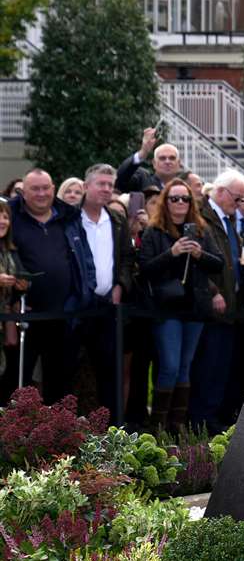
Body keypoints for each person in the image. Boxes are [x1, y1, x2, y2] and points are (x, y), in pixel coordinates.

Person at [138, 179, 226, 432]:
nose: (179, 203)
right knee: (170, 366)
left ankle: (177, 427)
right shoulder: (154, 232)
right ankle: (158, 428)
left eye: (185, 199)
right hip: (166, 308)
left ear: (191, 203)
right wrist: (172, 253)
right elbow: (144, 270)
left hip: (195, 307)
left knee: (185, 367)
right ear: (165, 202)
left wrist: (199, 254)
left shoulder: (201, 230)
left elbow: (218, 264)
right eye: (174, 198)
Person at [8, 170, 93, 406]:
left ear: (54, 189)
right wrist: (15, 294)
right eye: (34, 189)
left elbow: (86, 261)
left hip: (64, 314)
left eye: (45, 188)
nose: (41, 193)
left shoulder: (69, 218)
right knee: (18, 379)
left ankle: (58, 436)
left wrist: (84, 293)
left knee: (59, 381)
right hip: (24, 313)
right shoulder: (11, 217)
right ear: (23, 192)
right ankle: (13, 436)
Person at [189, 169, 244, 429]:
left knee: (223, 366)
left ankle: (215, 418)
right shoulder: (202, 217)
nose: (241, 202)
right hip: (213, 306)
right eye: (237, 196)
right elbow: (196, 261)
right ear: (221, 192)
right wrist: (213, 291)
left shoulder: (227, 219)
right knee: (209, 365)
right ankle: (203, 420)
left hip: (231, 307)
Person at [73, 165, 135, 420]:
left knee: (110, 372)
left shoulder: (117, 219)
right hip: (76, 307)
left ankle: (110, 431)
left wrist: (121, 285)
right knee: (72, 371)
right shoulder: (70, 218)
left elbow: (127, 258)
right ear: (86, 186)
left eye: (111, 185)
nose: (107, 189)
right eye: (101, 184)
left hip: (109, 307)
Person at [0, 203, 30, 396]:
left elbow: (24, 275)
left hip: (7, 322)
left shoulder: (10, 250)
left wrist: (23, 285)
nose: (3, 221)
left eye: (5, 217)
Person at [117, 128, 182, 194]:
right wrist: (142, 153)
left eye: (172, 158)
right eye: (162, 158)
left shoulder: (185, 188)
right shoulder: (142, 180)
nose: (167, 162)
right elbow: (121, 177)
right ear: (154, 163)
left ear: (179, 164)